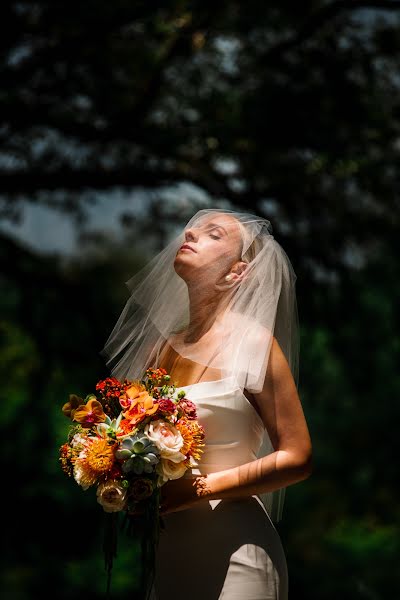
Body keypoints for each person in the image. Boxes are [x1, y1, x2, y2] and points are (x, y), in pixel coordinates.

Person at [100, 208, 313, 600]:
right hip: (168, 552)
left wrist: (200, 489)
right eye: (192, 229)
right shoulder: (159, 349)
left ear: (237, 272)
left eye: (213, 234)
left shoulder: (254, 344)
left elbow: (297, 456)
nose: (191, 233)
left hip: (235, 549)